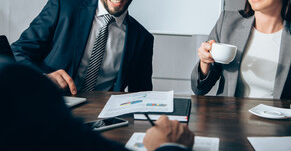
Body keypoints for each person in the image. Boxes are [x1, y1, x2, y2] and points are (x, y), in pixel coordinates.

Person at [11, 0, 153, 95]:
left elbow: (141, 96)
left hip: (101, 115)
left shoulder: (143, 39)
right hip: (50, 107)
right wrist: (43, 78)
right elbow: (17, 52)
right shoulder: (61, 8)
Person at [0, 58, 194, 151]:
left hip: (104, 118)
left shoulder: (140, 35)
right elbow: (21, 51)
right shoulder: (16, 83)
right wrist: (167, 146)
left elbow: (142, 89)